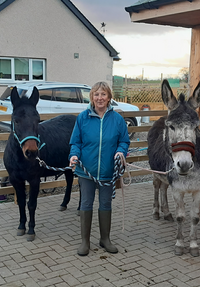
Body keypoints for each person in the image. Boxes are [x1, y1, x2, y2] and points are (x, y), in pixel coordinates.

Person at [69, 81, 130, 256]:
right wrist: (74, 155)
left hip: (107, 172)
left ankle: (105, 239)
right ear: (92, 97)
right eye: (96, 94)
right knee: (86, 203)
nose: (100, 98)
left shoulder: (117, 119)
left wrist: (120, 152)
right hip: (86, 171)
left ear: (109, 97)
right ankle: (85, 242)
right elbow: (76, 142)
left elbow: (124, 141)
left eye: (103, 94)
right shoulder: (83, 118)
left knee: (105, 204)